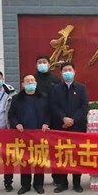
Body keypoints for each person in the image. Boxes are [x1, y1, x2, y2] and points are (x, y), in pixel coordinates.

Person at [8, 74, 50, 195]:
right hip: (23, 134)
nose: (30, 82)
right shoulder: (17, 98)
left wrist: (46, 123)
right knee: (24, 160)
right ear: (23, 84)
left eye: (32, 80)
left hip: (39, 133)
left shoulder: (43, 97)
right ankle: (25, 185)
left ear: (36, 83)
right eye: (27, 81)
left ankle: (38, 184)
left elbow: (48, 113)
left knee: (39, 160)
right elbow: (11, 114)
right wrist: (16, 124)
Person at [50, 63, 89, 193]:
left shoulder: (81, 88)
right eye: (65, 70)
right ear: (61, 73)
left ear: (74, 71)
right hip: (60, 126)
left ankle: (77, 183)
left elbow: (84, 106)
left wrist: (73, 120)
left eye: (69, 70)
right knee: (61, 155)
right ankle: (62, 183)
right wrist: (63, 118)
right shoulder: (55, 89)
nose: (67, 72)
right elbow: (53, 106)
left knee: (76, 155)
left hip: (77, 127)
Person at [34, 55, 61, 187]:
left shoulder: (56, 80)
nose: (42, 64)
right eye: (39, 62)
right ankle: (38, 181)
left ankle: (57, 177)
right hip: (38, 118)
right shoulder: (32, 79)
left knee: (55, 150)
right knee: (38, 150)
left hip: (54, 118)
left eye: (44, 62)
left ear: (49, 65)